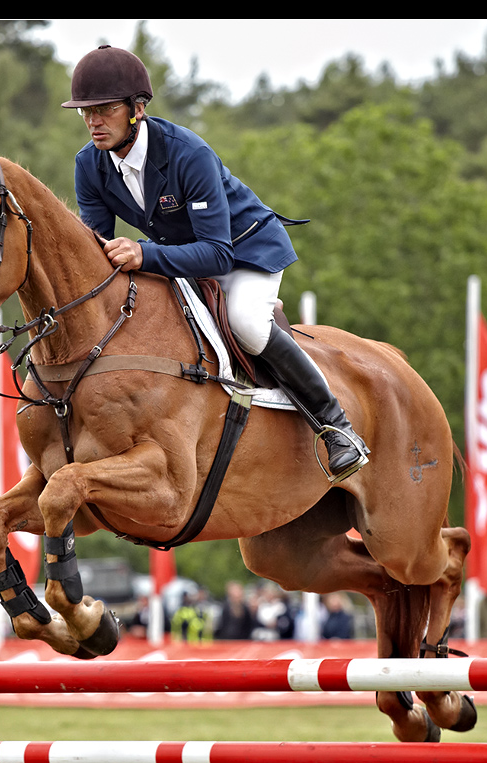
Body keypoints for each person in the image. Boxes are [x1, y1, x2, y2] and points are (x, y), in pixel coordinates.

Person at [63, 45, 368, 482]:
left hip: (243, 250)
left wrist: (144, 253)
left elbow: (217, 253)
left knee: (245, 322)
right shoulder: (89, 165)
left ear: (137, 109)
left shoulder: (188, 153)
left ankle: (337, 426)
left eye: (105, 109)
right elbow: (100, 249)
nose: (93, 122)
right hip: (180, 255)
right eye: (85, 112)